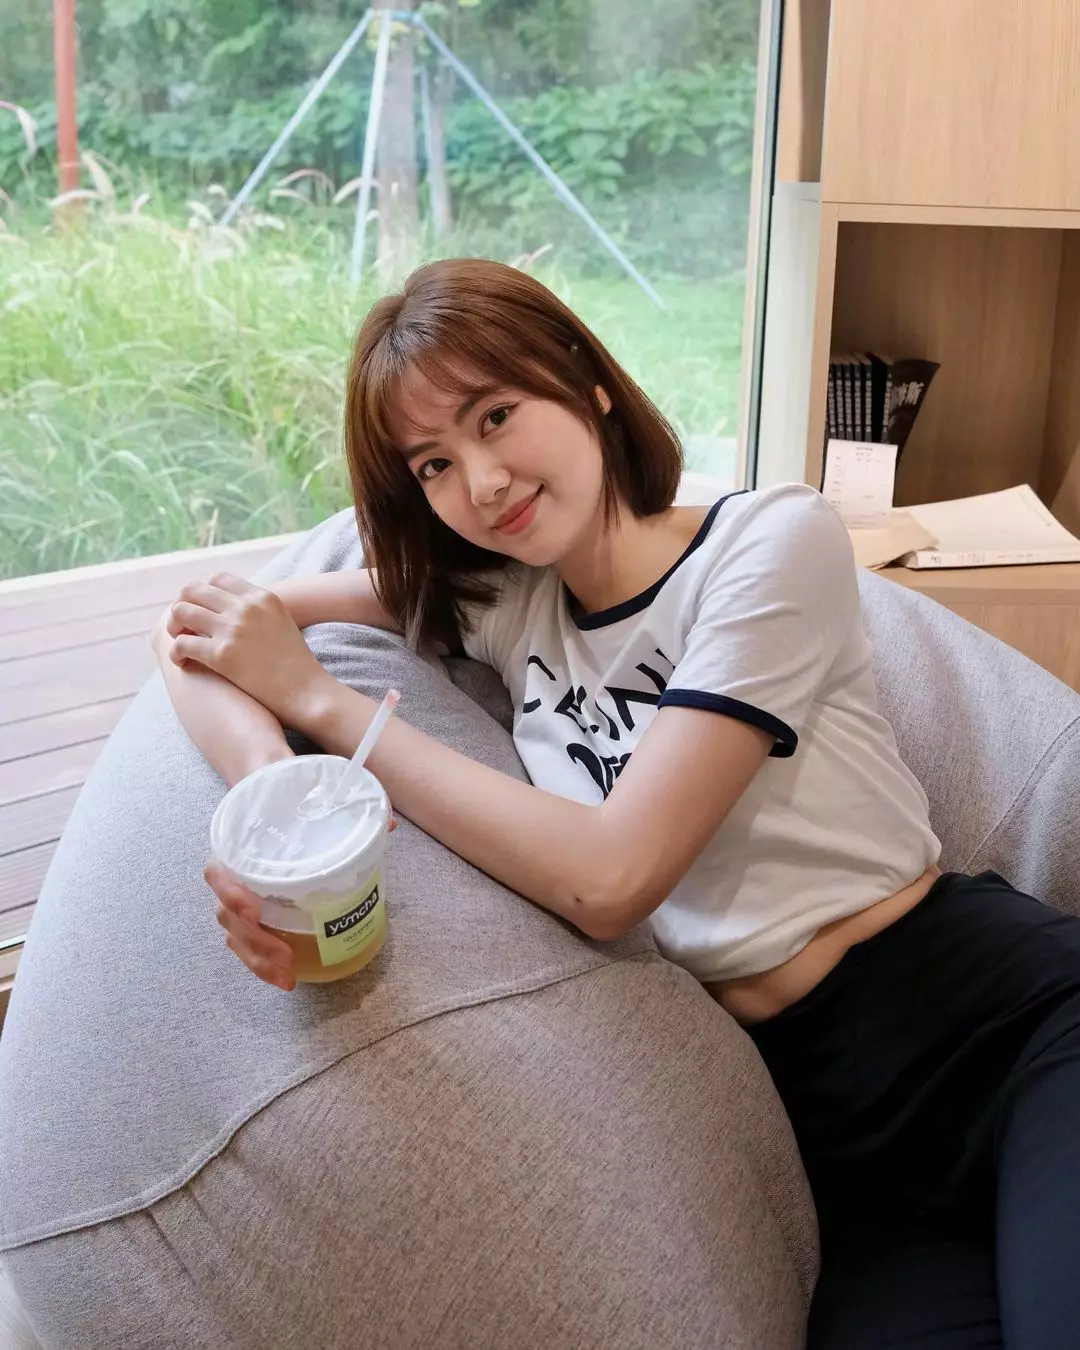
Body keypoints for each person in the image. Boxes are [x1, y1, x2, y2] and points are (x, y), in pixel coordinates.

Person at [152, 258, 1080, 1349]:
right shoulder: (508, 606)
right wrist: (282, 811)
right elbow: (193, 634)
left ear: (586, 381)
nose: (482, 481)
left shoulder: (768, 543)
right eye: (435, 463)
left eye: (496, 415)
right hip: (842, 1157)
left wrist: (325, 706)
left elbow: (613, 877)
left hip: (1005, 1031)